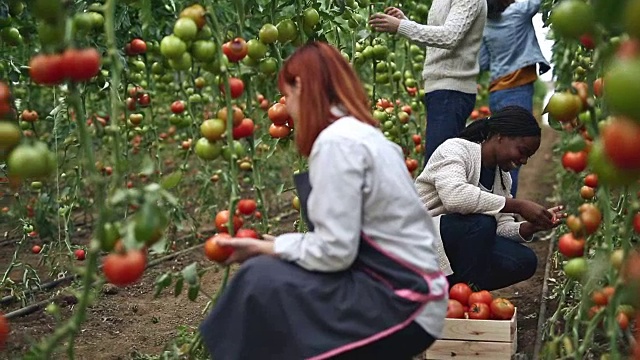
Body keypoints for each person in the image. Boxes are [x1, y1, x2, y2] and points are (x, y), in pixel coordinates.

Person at [199, 42, 448, 360]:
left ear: (301, 85)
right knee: (271, 279)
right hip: (410, 289)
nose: (287, 106)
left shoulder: (337, 143)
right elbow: (353, 237)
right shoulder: (365, 136)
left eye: (287, 94)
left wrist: (271, 248)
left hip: (400, 299)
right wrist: (277, 245)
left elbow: (335, 252)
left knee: (258, 280)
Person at [414, 106, 564, 290]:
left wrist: (532, 226)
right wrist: (518, 206)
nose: (523, 161)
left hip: (456, 243)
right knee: (481, 224)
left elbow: (500, 228)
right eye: (522, 151)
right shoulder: (455, 149)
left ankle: (462, 293)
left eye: (528, 157)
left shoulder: (502, 178)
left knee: (524, 260)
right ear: (500, 136)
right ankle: (454, 293)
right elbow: (454, 196)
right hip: (419, 239)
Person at [369, 0, 487, 162]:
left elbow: (449, 37)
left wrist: (401, 26)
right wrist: (406, 23)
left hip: (452, 90)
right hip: (439, 89)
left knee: (439, 165)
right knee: (440, 163)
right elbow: (437, 43)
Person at [479, 0, 551, 196]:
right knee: (514, 156)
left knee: (499, 154)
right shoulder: (518, 12)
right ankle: (507, 211)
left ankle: (494, 206)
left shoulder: (486, 24)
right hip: (517, 90)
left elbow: (483, 62)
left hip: (496, 92)